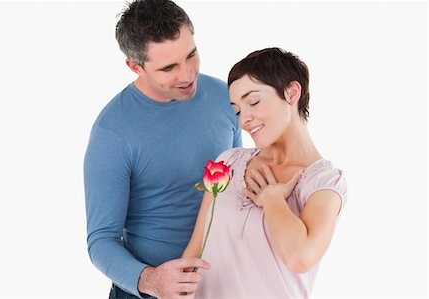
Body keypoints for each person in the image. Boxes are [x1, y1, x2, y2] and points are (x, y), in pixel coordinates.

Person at [83, 0, 241, 298]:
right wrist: (151, 280)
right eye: (168, 68)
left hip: (221, 284)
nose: (187, 74)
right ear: (134, 66)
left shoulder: (225, 97)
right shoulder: (111, 132)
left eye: (191, 55)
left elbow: (233, 187)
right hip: (148, 291)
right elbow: (101, 240)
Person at [183, 47, 347, 299]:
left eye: (253, 102)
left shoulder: (323, 183)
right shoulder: (227, 163)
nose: (243, 120)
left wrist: (272, 199)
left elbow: (299, 258)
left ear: (292, 93)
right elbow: (193, 253)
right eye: (238, 110)